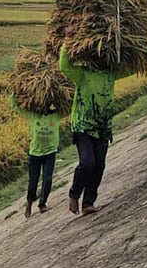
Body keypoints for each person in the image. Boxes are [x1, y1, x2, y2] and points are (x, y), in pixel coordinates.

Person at [59, 43, 123, 216]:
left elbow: (131, 68)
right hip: (83, 126)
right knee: (87, 163)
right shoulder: (82, 74)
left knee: (99, 166)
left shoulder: (110, 74)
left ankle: (88, 203)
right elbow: (64, 66)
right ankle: (74, 195)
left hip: (103, 127)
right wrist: (67, 41)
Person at [10, 96, 61, 218]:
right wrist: (15, 93)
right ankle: (29, 203)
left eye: (47, 103)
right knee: (33, 180)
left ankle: (42, 203)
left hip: (50, 152)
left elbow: (70, 106)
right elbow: (16, 107)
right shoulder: (33, 116)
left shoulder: (56, 116)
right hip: (35, 153)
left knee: (47, 179)